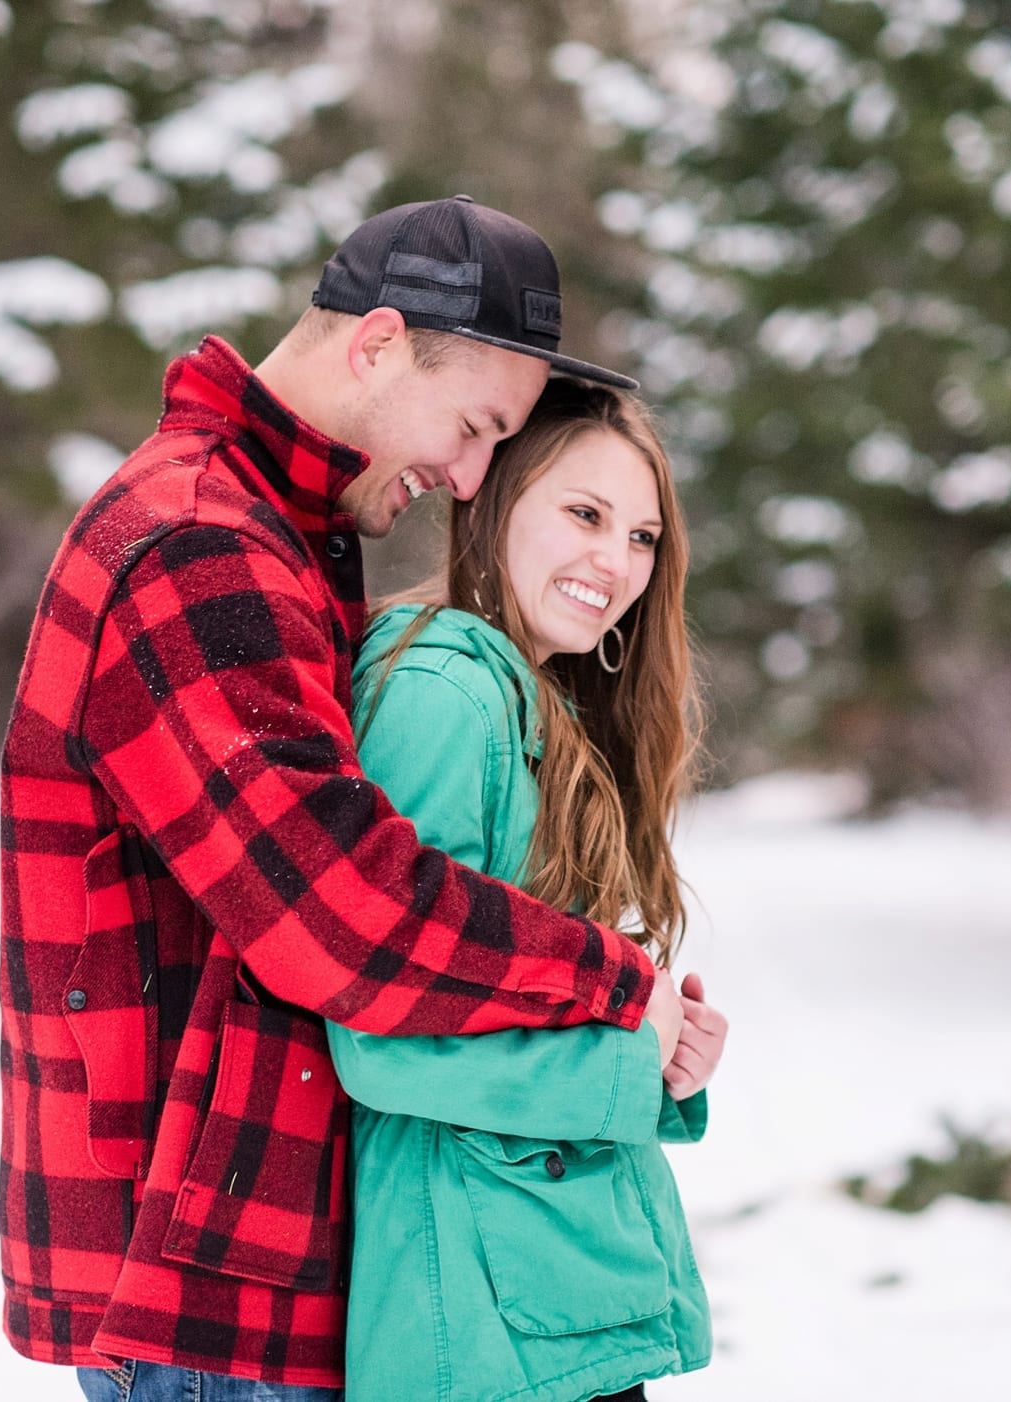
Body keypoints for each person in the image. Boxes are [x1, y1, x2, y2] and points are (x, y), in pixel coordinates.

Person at [0, 197, 688, 1400]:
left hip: (251, 1263)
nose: (468, 476)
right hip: (208, 1286)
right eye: (474, 426)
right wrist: (616, 987)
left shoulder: (275, 532)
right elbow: (346, 908)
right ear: (375, 344)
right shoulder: (197, 543)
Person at [329, 379, 727, 1402]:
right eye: (585, 515)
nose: (616, 561)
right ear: (494, 501)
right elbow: (383, 1028)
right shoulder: (442, 695)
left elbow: (516, 986)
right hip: (479, 1309)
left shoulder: (530, 699)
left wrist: (662, 1053)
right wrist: (620, 1068)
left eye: (642, 536)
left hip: (545, 1292)